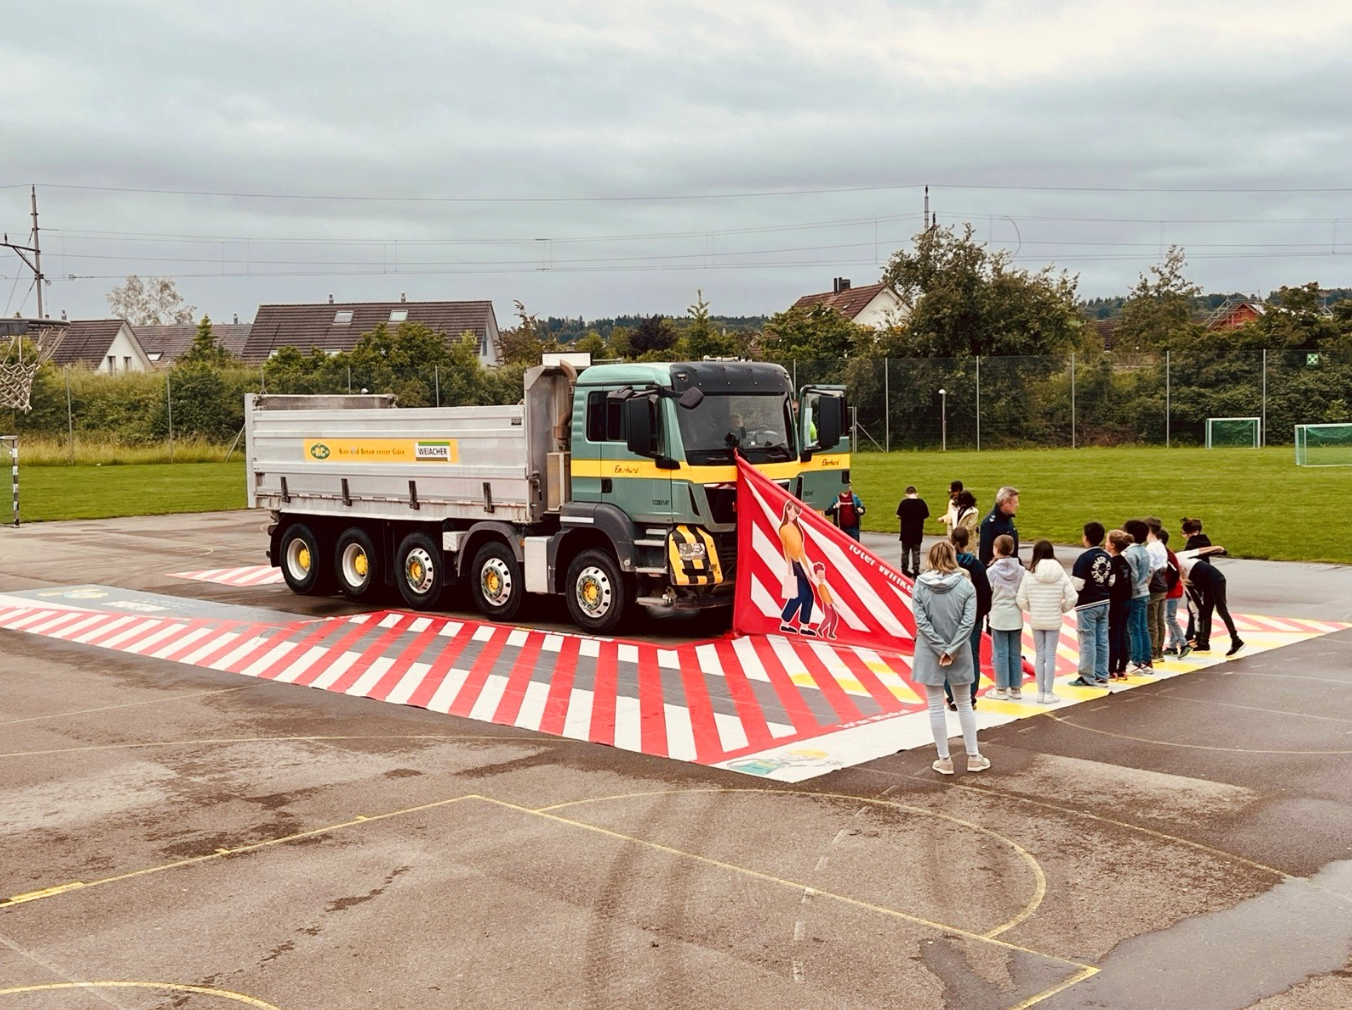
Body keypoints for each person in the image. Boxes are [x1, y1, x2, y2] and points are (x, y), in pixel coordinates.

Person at [910, 540, 988, 775]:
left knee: (935, 705)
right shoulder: (966, 586)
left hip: (928, 650)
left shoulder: (920, 585)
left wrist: (939, 647)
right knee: (964, 703)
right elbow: (968, 622)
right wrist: (951, 648)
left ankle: (944, 759)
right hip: (959, 650)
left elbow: (921, 621)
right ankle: (973, 756)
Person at [1017, 539, 1077, 704]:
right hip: (1054, 618)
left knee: (1040, 655)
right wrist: (1062, 609)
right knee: (1050, 656)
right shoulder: (1060, 572)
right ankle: (1049, 692)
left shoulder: (1030, 573)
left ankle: (1040, 692)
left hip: (1037, 618)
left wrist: (1032, 608)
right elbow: (1073, 596)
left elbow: (1020, 599)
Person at [945, 525, 990, 711]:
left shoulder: (946, 565)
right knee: (972, 655)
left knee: (949, 654)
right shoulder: (976, 565)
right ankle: (970, 695)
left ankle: (952, 694)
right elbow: (986, 593)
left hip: (950, 617)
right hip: (973, 617)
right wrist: (981, 613)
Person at [1069, 521, 1112, 686]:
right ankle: (1102, 673)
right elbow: (1111, 581)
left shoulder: (1084, 558)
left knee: (1087, 639)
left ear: (1086, 538)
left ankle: (1087, 675)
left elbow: (1077, 584)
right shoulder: (1107, 557)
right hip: (1104, 600)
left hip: (1087, 603)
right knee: (1102, 639)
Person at [1180, 549, 1245, 657]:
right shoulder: (1180, 576)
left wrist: (1220, 549)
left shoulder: (1179, 558)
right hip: (1207, 583)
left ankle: (1236, 640)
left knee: (1222, 610)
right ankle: (1204, 643)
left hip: (1216, 580)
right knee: (1205, 611)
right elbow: (1193, 596)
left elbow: (1200, 551)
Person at [986, 533, 1026, 700]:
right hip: (1016, 614)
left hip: (998, 614)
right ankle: (1016, 687)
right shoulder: (1022, 571)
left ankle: (1001, 688)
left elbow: (988, 592)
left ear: (996, 549)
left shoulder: (991, 571)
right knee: (1015, 651)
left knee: (1000, 651)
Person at [778, 501, 816, 636]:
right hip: (793, 564)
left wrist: (808, 567)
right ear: (787, 510)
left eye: (795, 512)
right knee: (801, 594)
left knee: (808, 595)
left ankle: (804, 625)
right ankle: (785, 622)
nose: (792, 514)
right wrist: (789, 565)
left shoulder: (796, 528)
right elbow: (785, 548)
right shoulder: (784, 529)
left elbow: (801, 550)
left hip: (799, 563)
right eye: (791, 510)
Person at [1122, 519, 1154, 674]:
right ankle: (1146, 660)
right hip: (1144, 592)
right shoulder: (1144, 551)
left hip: (1134, 594)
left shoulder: (1130, 554)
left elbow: (1132, 577)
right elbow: (1149, 572)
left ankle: (1135, 661)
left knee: (1134, 629)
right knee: (1143, 628)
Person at [1105, 529, 1133, 680]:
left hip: (1116, 602)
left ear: (1113, 545)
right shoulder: (1125, 563)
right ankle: (1122, 666)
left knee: (1113, 635)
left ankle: (1111, 668)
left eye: (1107, 541)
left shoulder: (1112, 563)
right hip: (1127, 600)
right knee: (1122, 633)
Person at [1180, 517, 1211, 642]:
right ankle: (1196, 633)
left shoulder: (1191, 545)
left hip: (1193, 579)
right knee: (1199, 607)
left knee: (1194, 607)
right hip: (1205, 577)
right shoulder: (1205, 541)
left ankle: (1195, 634)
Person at [1145, 517, 1169, 663]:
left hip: (1153, 587)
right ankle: (1159, 651)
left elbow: (1149, 570)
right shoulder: (1160, 545)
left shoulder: (1150, 548)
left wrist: (1145, 587)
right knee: (1160, 620)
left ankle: (1153, 652)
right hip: (1162, 585)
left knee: (1151, 621)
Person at [978, 486, 1020, 566]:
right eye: (1015, 502)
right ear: (1006, 503)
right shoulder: (989, 524)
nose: (1017, 505)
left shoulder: (1007, 518)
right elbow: (985, 557)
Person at [895, 486, 930, 578]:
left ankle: (904, 569)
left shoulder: (904, 503)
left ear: (907, 494)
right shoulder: (921, 503)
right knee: (916, 552)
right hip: (917, 532)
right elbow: (926, 515)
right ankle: (916, 570)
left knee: (905, 552)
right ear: (916, 493)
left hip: (906, 532)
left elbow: (898, 515)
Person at [811, 562, 840, 640]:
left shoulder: (824, 585)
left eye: (822, 572)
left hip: (829, 603)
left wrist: (833, 602)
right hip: (827, 604)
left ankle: (830, 632)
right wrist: (827, 603)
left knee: (834, 617)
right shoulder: (820, 585)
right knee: (829, 617)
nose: (821, 574)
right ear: (816, 575)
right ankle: (820, 629)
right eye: (819, 573)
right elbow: (822, 595)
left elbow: (828, 596)